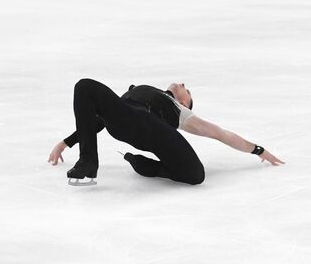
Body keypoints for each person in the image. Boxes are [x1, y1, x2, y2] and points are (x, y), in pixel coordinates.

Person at [48, 79, 283, 186]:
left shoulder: (182, 113)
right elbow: (97, 120)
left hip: (154, 128)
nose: (182, 84)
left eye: (187, 90)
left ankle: (147, 166)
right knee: (85, 86)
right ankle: (88, 162)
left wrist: (258, 150)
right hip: (125, 120)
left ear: (186, 103)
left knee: (196, 175)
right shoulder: (141, 89)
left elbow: (220, 133)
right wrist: (66, 143)